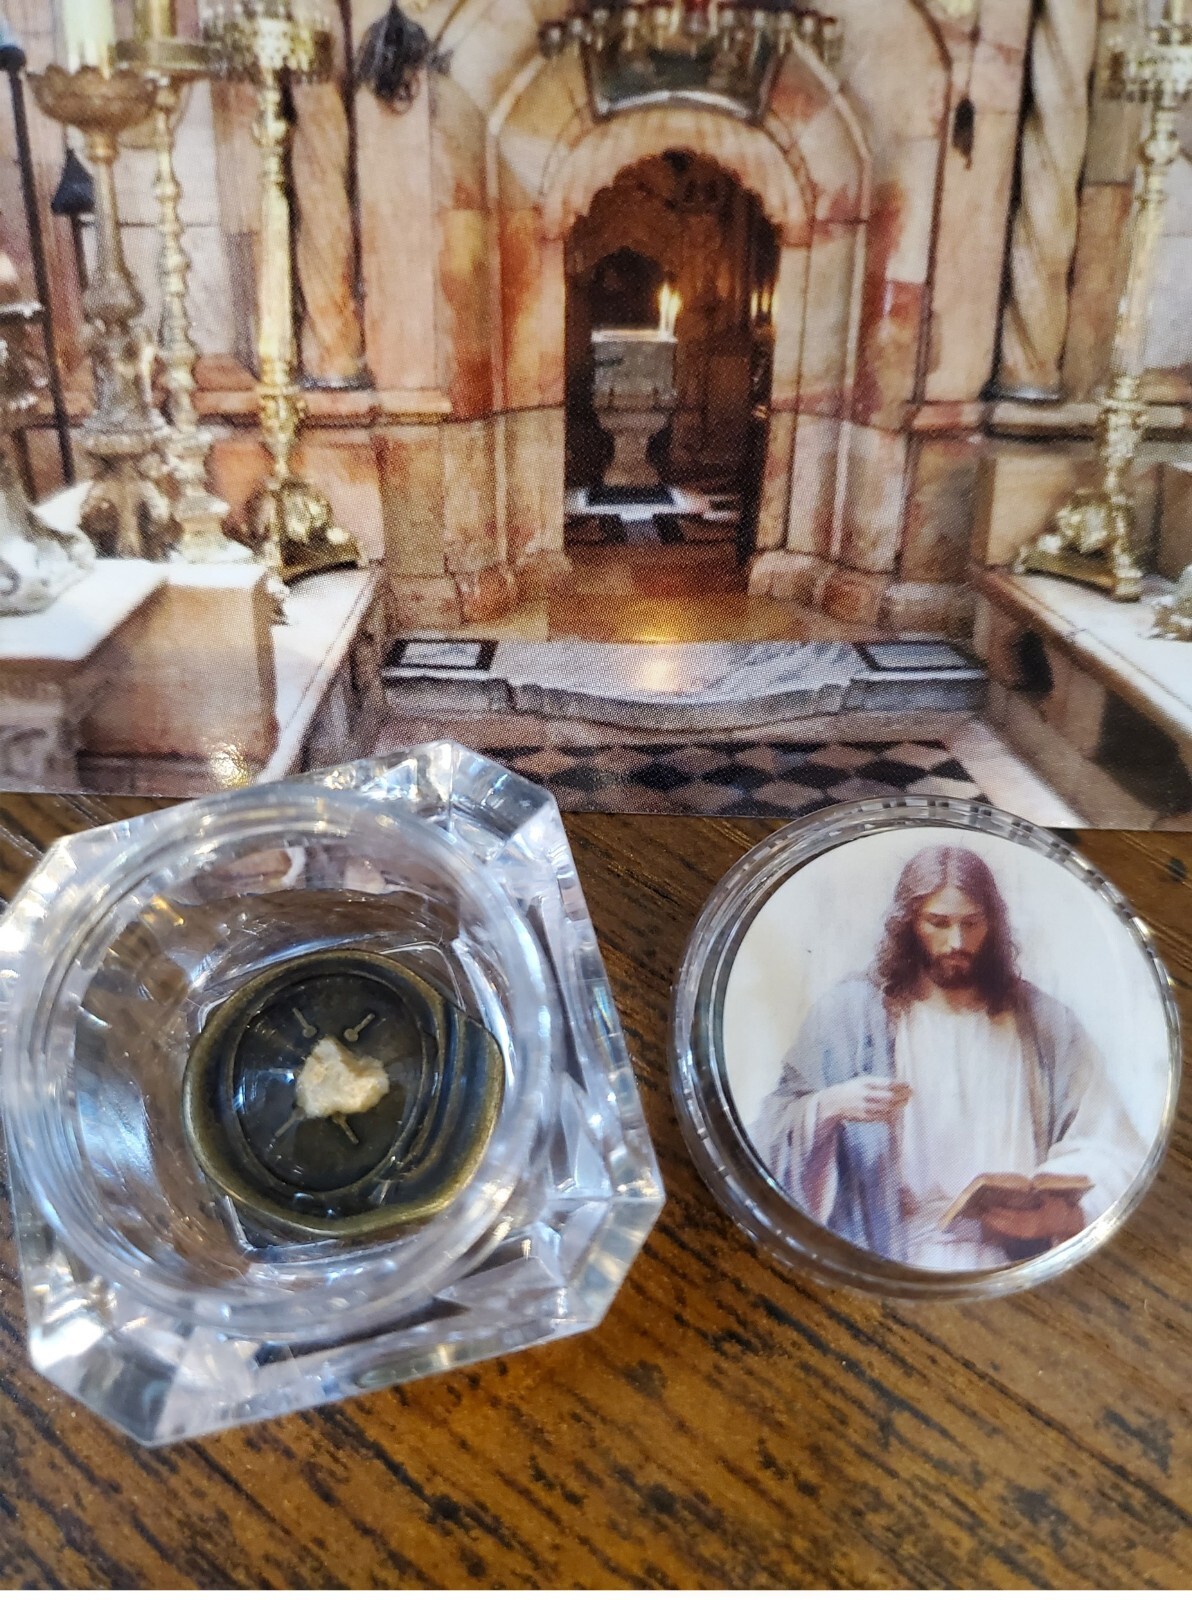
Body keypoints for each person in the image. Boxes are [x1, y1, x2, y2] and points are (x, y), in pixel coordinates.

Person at [754, 844, 1145, 1271]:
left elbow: (1111, 1141)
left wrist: (1063, 1214)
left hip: (1014, 1263)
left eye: (972, 924)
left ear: (992, 925)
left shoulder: (1044, 1021)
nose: (956, 942)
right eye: (938, 924)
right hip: (892, 1257)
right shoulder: (849, 1014)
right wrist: (828, 1106)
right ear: (908, 925)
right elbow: (765, 1139)